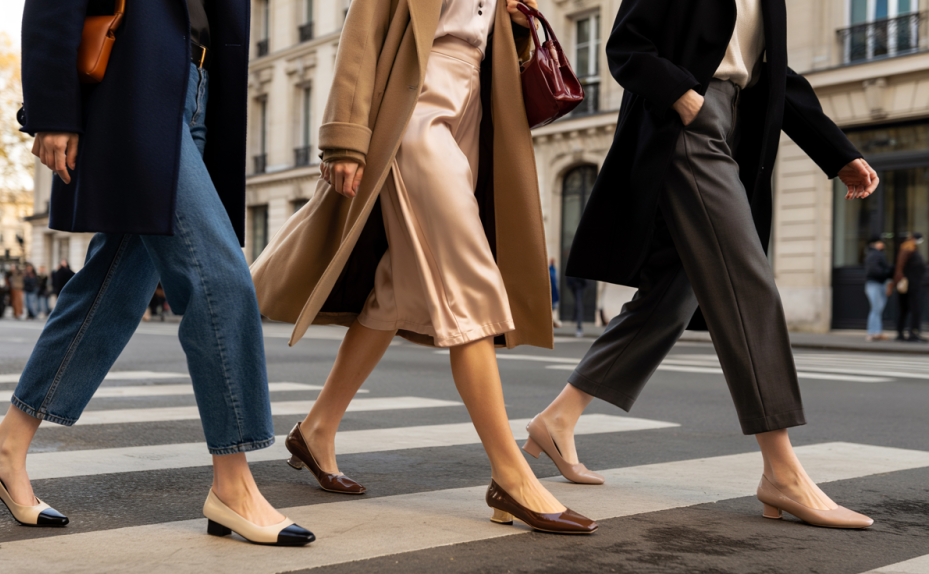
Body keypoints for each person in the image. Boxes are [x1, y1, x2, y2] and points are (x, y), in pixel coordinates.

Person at [0, 0, 314, 546]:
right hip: (135, 85)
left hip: (199, 87)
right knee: (219, 278)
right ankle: (233, 484)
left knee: (114, 286)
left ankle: (6, 447)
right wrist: (52, 107)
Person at [526, 0, 879, 529]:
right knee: (747, 281)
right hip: (684, 125)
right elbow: (625, 45)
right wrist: (682, 96)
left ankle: (557, 419)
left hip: (734, 128)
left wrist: (838, 153)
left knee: (672, 295)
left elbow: (774, 76)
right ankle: (781, 472)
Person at [251, 0, 597, 534]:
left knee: (394, 291)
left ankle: (317, 428)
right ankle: (511, 475)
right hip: (415, 105)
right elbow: (362, 30)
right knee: (468, 280)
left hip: (472, 107)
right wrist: (345, 135)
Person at [894, 232, 926, 342]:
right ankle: (913, 333)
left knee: (905, 309)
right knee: (914, 309)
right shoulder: (909, 250)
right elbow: (900, 268)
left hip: (908, 285)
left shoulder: (909, 250)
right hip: (911, 285)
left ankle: (901, 333)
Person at [864, 236, 892, 342]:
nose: (883, 244)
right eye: (881, 242)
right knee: (876, 308)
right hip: (875, 284)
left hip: (877, 283)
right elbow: (874, 270)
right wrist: (887, 272)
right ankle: (872, 333)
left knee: (878, 309)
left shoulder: (875, 254)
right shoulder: (874, 254)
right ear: (876, 243)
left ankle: (877, 332)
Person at [549, 259, 562, 328]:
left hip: (554, 293)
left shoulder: (554, 270)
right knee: (551, 309)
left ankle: (553, 323)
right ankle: (552, 323)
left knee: (552, 309)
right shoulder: (550, 270)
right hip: (552, 293)